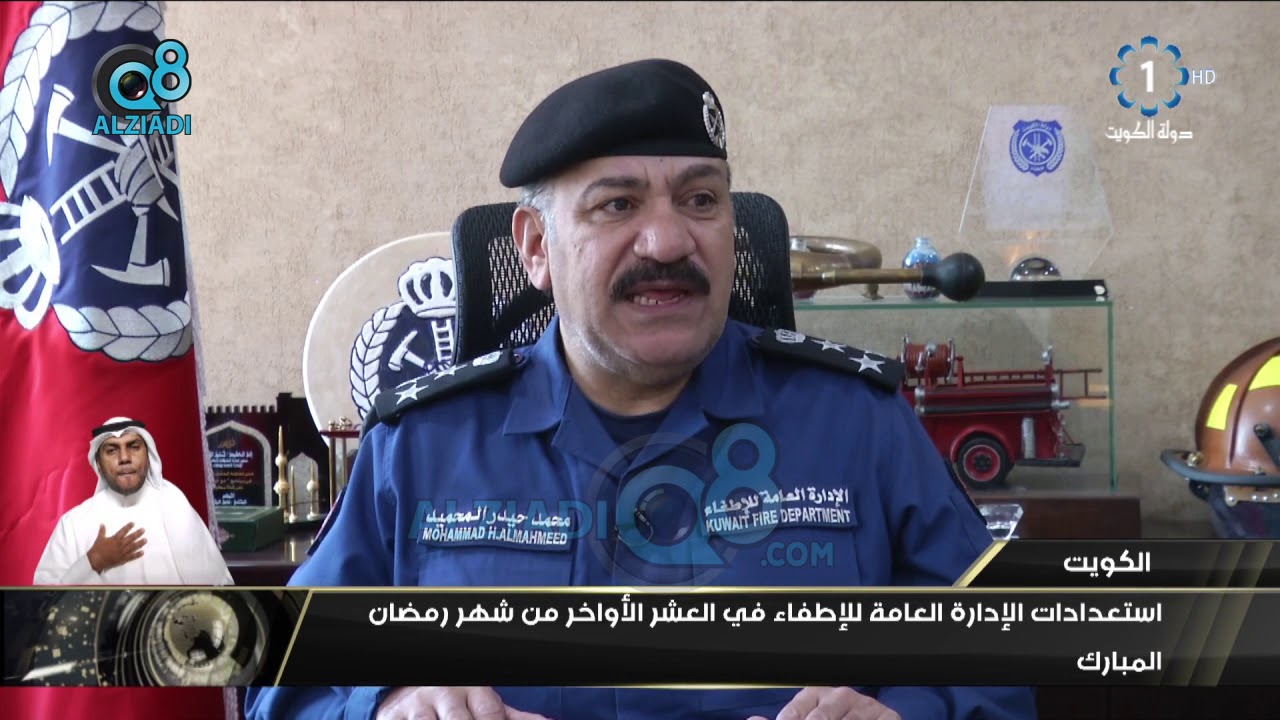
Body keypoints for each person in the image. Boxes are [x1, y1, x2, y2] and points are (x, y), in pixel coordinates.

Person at [245, 59, 1036, 719]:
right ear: (535, 248)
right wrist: (384, 708)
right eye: (617, 205)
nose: (667, 240)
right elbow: (281, 682)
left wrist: (907, 713)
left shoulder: (858, 423)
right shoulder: (419, 446)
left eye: (700, 200)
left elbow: (1002, 661)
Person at [33, 417, 234, 586]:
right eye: (112, 450)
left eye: (134, 447)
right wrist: (92, 561)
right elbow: (45, 602)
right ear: (99, 464)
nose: (124, 457)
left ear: (148, 456)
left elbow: (220, 586)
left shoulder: (174, 504)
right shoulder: (74, 524)